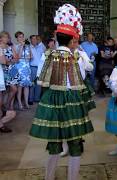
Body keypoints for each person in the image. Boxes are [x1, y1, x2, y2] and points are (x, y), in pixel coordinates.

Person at [29, 4, 94, 180]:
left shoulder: (47, 55)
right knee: (75, 142)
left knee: (54, 142)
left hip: (53, 99)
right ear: (73, 38)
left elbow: (40, 80)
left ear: (57, 37)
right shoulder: (78, 56)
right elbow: (84, 73)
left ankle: (48, 178)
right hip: (73, 99)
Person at [0, 31, 18, 126]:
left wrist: (10, 60)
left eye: (8, 37)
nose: (8, 39)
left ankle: (6, 105)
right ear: (1, 38)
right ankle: (4, 108)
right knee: (5, 91)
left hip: (11, 70)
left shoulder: (10, 47)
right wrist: (10, 61)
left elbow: (17, 58)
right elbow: (4, 62)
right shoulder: (0, 48)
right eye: (6, 37)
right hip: (3, 71)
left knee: (13, 89)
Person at [14, 31, 32, 110]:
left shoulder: (27, 46)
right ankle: (20, 104)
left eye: (22, 36)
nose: (22, 38)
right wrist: (21, 46)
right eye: (20, 37)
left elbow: (31, 56)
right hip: (20, 67)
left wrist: (29, 56)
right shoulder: (15, 46)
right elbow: (18, 56)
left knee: (26, 86)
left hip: (26, 67)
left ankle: (26, 103)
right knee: (20, 86)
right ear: (17, 39)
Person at [29, 35, 45, 105]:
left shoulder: (41, 47)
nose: (34, 40)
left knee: (38, 84)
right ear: (31, 40)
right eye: (32, 39)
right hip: (32, 67)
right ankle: (30, 99)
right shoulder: (28, 47)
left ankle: (37, 98)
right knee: (32, 84)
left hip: (40, 68)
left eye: (35, 39)